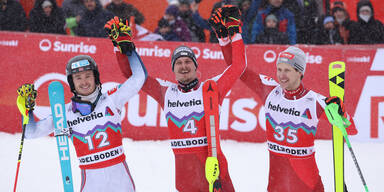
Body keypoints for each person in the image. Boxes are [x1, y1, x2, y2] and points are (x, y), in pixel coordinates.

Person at [108, 6, 246, 192]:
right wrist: (121, 48)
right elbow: (131, 75)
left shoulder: (211, 88)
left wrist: (233, 33)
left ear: (196, 66)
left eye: (188, 61)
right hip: (185, 179)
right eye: (178, 63)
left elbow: (238, 66)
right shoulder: (166, 92)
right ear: (173, 70)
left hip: (215, 175)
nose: (183, 66)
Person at [16, 22, 147, 192]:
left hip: (122, 185)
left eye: (88, 76)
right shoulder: (65, 114)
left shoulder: (111, 100)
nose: (84, 82)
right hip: (91, 186)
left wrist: (128, 49)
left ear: (96, 77)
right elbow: (31, 132)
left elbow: (139, 78)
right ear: (71, 82)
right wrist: (27, 108)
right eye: (78, 78)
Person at [221, 46, 358, 191]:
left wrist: (342, 112)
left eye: (287, 70)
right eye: (279, 69)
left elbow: (351, 129)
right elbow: (236, 68)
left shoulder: (314, 101)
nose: (281, 75)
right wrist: (225, 40)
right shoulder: (268, 91)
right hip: (277, 185)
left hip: (307, 185)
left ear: (299, 72)